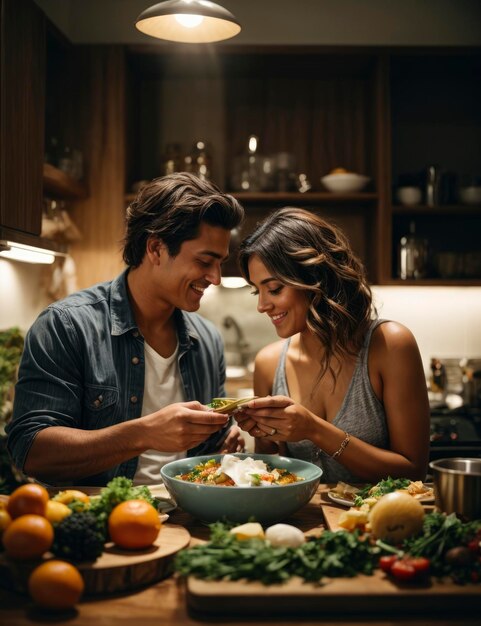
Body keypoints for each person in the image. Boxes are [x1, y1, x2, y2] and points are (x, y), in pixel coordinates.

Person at [6, 172, 245, 487]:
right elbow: (31, 451)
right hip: (99, 519)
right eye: (205, 261)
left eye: (220, 263)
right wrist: (143, 434)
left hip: (187, 518)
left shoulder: (207, 340)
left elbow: (206, 451)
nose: (215, 277)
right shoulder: (66, 325)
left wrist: (227, 439)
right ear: (156, 248)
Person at [234, 207, 430, 483]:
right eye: (258, 291)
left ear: (315, 279)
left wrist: (314, 429)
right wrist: (246, 453)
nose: (262, 305)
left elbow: (413, 471)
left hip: (376, 523)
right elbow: (268, 475)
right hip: (301, 525)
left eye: (274, 288)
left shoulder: (390, 346)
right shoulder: (268, 364)